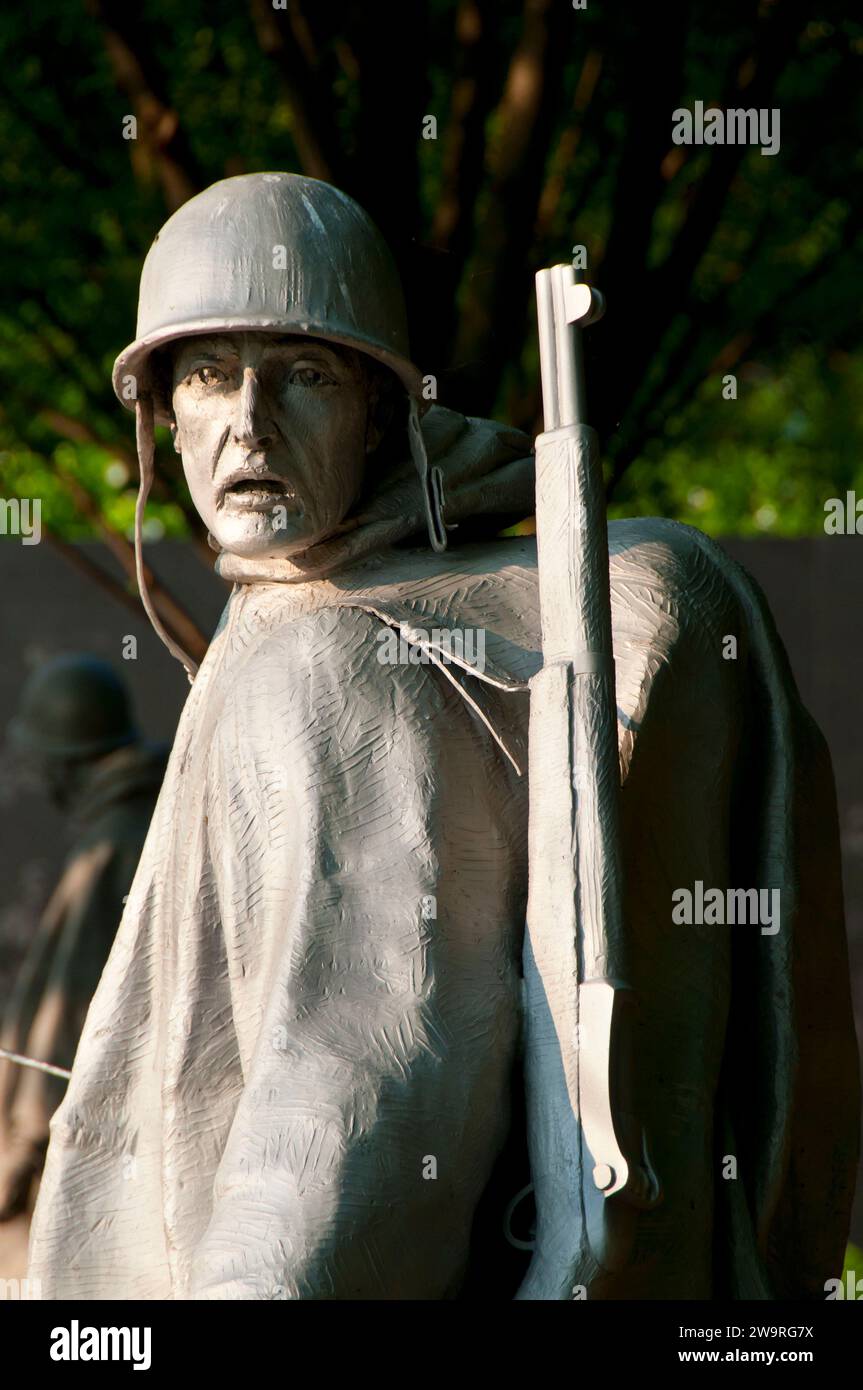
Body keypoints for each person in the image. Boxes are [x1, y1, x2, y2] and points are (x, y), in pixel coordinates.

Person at [27, 174, 859, 1300]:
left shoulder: (317, 655)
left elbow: (354, 1096)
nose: (249, 423)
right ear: (162, 415)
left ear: (380, 410)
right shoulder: (312, 614)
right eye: (211, 375)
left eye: (304, 376)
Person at [0, 656, 167, 1222]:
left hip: (80, 1151)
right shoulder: (144, 820)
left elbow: (64, 1008)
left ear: (66, 764)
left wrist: (22, 1137)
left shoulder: (113, 843)